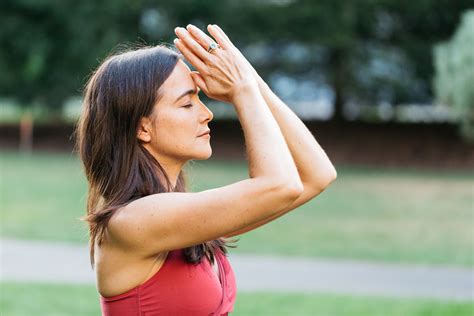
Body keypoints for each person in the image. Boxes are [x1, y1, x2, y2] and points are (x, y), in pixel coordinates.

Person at [75, 23, 337, 315]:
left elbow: (316, 174)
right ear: (143, 127)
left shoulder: (184, 219)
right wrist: (243, 92)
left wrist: (249, 81)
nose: (207, 113)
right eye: (187, 103)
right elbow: (281, 185)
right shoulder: (134, 222)